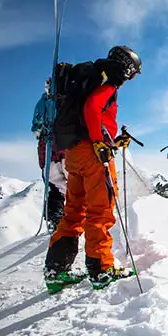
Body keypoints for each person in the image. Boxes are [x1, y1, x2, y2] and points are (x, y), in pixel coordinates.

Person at [43, 45, 142, 293]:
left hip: (75, 152)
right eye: (133, 73)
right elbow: (92, 109)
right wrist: (99, 141)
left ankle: (57, 270)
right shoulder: (110, 78)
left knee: (74, 211)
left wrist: (110, 141)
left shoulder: (89, 77)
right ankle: (101, 269)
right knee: (101, 211)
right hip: (93, 153)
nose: (130, 78)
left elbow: (89, 114)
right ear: (127, 67)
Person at [31, 78, 68, 232]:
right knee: (75, 183)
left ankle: (55, 218)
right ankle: (77, 217)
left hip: (48, 148)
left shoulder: (43, 101)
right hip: (68, 147)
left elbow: (36, 126)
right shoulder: (70, 99)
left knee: (54, 186)